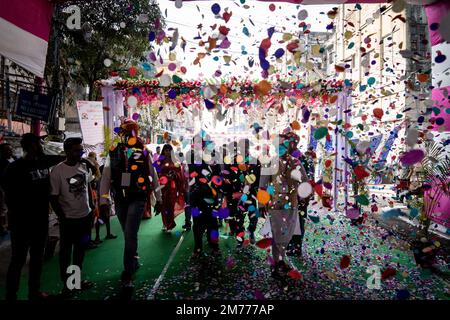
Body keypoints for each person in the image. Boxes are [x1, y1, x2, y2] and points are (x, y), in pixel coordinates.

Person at [99, 120, 162, 287]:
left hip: (138, 196)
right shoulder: (113, 152)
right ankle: (133, 259)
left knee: (129, 233)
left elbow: (153, 174)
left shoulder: (143, 151)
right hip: (120, 198)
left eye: (132, 132)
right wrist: (103, 200)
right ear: (122, 134)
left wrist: (159, 199)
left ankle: (127, 271)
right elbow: (106, 176)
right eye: (126, 133)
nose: (129, 136)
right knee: (128, 233)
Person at [3, 134, 63, 300]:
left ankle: (34, 292)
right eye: (38, 143)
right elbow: (9, 196)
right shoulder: (15, 168)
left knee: (37, 259)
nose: (41, 146)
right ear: (31, 146)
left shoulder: (42, 162)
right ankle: (11, 295)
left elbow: (59, 158)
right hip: (21, 222)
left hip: (40, 220)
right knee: (18, 259)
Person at [259, 131, 308, 278]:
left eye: (283, 144)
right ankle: (276, 265)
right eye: (277, 144)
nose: (280, 146)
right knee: (278, 234)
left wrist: (304, 195)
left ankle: (279, 261)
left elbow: (304, 182)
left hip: (292, 204)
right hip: (275, 205)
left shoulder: (296, 162)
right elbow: (262, 185)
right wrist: (261, 205)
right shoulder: (269, 162)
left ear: (289, 145)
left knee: (286, 235)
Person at [50, 137, 95, 297]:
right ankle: (67, 285)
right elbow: (53, 198)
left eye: (81, 150)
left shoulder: (83, 166)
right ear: (67, 151)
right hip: (69, 220)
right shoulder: (58, 171)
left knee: (80, 251)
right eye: (77, 150)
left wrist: (92, 206)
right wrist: (62, 217)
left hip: (85, 217)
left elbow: (87, 185)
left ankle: (75, 282)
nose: (80, 153)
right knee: (66, 253)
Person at [185, 143, 222, 257]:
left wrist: (218, 195)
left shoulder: (213, 157)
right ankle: (198, 247)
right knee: (197, 223)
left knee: (212, 222)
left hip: (210, 195)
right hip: (197, 196)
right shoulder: (192, 157)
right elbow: (191, 176)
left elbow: (218, 176)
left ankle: (214, 246)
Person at [223, 138, 261, 246]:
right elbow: (226, 179)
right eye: (242, 146)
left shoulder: (254, 161)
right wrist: (230, 195)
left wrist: (255, 191)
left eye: (247, 146)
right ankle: (240, 239)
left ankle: (251, 231)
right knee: (238, 219)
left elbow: (258, 179)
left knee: (253, 217)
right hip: (237, 196)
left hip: (251, 195)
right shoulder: (232, 161)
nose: (245, 149)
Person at [154, 144, 186, 232]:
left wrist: (174, 174)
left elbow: (180, 173)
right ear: (163, 151)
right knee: (163, 205)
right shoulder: (159, 160)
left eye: (169, 150)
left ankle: (170, 224)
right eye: (166, 150)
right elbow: (155, 172)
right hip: (162, 186)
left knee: (170, 205)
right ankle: (165, 224)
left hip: (172, 186)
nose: (167, 152)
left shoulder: (175, 160)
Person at [0, 143, 16, 236]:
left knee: (12, 208)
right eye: (7, 150)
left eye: (10, 149)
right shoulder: (2, 162)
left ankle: (10, 225)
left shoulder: (14, 159)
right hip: (4, 188)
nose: (10, 151)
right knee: (3, 208)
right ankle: (3, 226)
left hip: (14, 188)